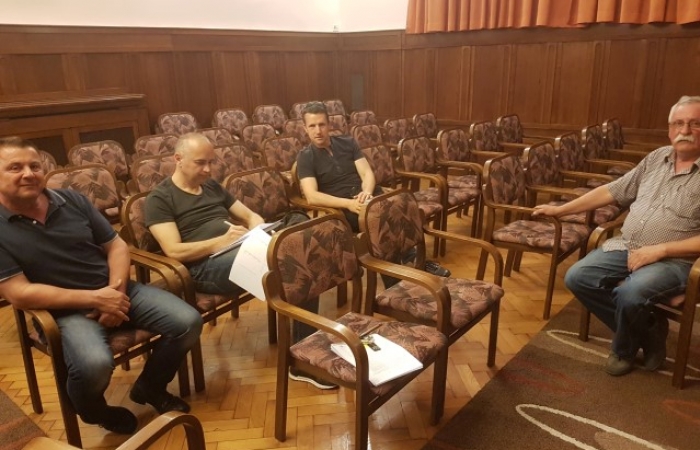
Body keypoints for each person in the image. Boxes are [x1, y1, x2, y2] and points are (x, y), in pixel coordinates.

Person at [0, 137, 203, 435]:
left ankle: (150, 386)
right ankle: (95, 411)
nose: (28, 174)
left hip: (116, 289)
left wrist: (114, 295)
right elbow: (18, 293)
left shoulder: (71, 200)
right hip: (63, 313)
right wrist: (97, 299)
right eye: (15, 168)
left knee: (188, 322)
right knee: (94, 365)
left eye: (34, 166)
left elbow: (116, 246)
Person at [145, 133, 337, 390]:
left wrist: (257, 229)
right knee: (295, 261)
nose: (208, 169)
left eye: (211, 162)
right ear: (178, 159)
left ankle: (306, 349)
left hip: (239, 248)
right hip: (204, 267)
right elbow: (173, 251)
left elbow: (249, 215)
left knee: (299, 234)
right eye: (201, 163)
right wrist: (219, 242)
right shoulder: (160, 198)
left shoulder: (210, 186)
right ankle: (303, 359)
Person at [533, 95, 700, 376]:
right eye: (679, 123)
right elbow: (612, 190)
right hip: (628, 245)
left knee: (630, 293)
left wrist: (660, 250)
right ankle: (650, 330)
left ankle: (623, 350)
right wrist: (561, 210)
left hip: (675, 260)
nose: (685, 130)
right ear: (670, 129)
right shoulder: (657, 158)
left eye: (695, 124)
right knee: (578, 277)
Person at [296, 101, 450, 277]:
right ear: (305, 128)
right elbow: (312, 196)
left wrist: (367, 192)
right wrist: (348, 204)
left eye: (322, 124)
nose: (318, 131)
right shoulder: (305, 157)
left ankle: (410, 263)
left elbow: (367, 173)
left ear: (329, 124)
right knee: (381, 220)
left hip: (368, 195)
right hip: (343, 208)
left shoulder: (347, 142)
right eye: (312, 126)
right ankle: (409, 268)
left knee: (400, 206)